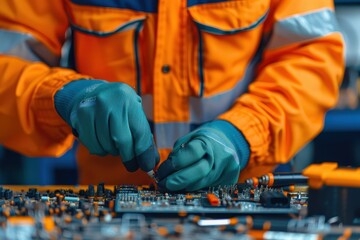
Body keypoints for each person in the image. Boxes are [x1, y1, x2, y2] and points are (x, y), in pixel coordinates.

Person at [0, 1, 344, 191]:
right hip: (110, 204)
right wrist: (66, 96)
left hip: (248, 192)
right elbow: (7, 64)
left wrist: (242, 135)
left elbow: (309, 60)